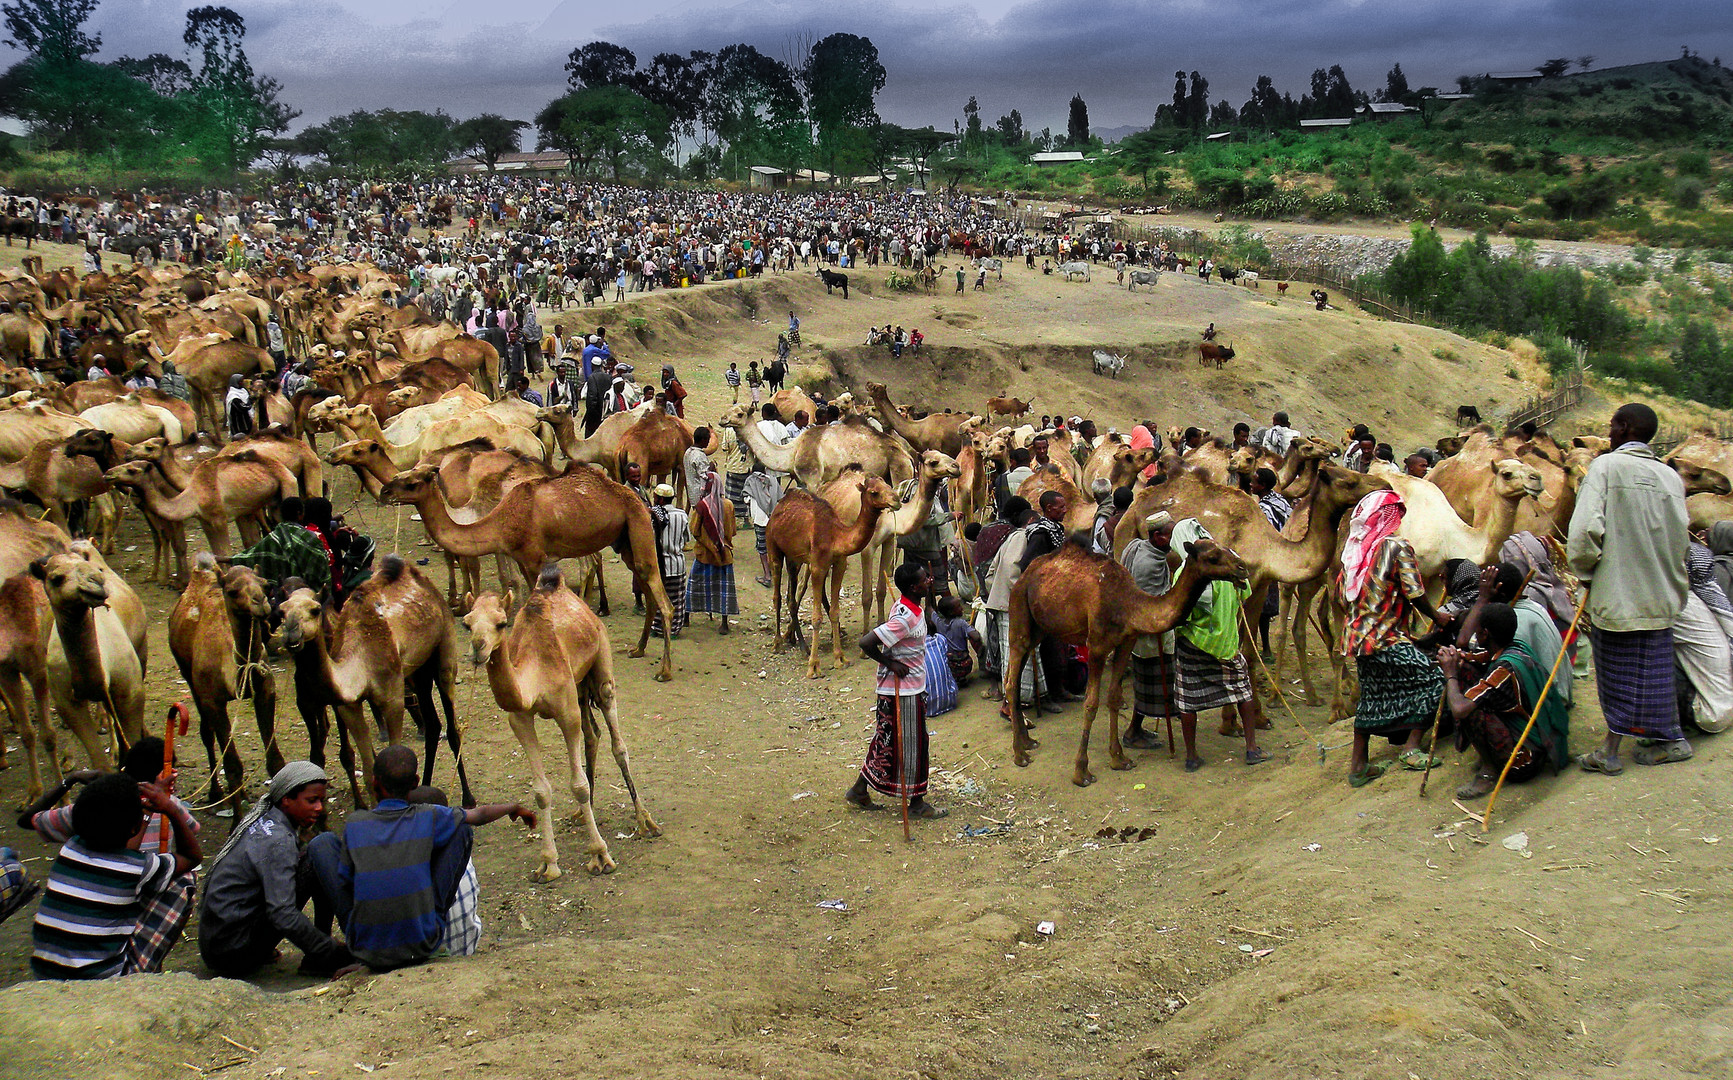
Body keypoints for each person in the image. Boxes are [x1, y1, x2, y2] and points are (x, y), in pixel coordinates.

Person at [304, 746, 534, 971]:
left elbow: (346, 881)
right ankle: (425, 919)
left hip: (366, 947)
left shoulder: (355, 823)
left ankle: (322, 954)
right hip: (422, 943)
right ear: (415, 783)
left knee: (321, 843)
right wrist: (513, 807)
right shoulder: (430, 816)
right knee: (462, 828)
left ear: (373, 783)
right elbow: (479, 814)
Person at [1567, 403, 1691, 773]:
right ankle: (1654, 740)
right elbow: (1681, 537)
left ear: (1623, 428)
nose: (1608, 432)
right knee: (1653, 671)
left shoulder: (1606, 467)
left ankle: (1614, 751)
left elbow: (1584, 532)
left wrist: (1586, 573)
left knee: (1617, 674)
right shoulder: (1670, 477)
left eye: (1611, 425)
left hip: (1618, 592)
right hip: (1661, 592)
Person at [30, 773, 201, 979]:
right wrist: (171, 808)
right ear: (134, 826)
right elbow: (192, 857)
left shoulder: (70, 849)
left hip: (46, 974)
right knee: (184, 881)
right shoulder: (139, 867)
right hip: (99, 981)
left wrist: (144, 809)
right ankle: (143, 978)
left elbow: (124, 853)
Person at [197, 762, 354, 977]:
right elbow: (282, 914)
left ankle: (317, 953)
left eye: (321, 801)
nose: (319, 808)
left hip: (218, 946)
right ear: (286, 800)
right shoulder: (278, 841)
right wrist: (330, 949)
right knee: (321, 849)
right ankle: (322, 956)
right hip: (233, 954)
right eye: (312, 801)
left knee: (313, 854)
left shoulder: (264, 821)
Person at [1339, 490, 1451, 787]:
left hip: (1357, 639)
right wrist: (1437, 616)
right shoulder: (1397, 546)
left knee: (1373, 693)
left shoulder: (1353, 552)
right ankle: (1412, 747)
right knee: (1436, 678)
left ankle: (1358, 766)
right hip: (1386, 635)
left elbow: (1342, 596)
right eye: (1396, 514)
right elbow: (1414, 592)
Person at [845, 562, 948, 820]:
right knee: (913, 745)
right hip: (902, 692)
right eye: (925, 579)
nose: (929, 580)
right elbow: (865, 643)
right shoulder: (904, 618)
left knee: (887, 740)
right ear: (914, 587)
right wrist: (890, 663)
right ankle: (916, 803)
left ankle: (860, 789)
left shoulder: (910, 606)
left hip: (906, 688)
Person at [1438, 603, 1571, 800]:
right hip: (1537, 742)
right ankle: (1492, 758)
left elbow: (1459, 709)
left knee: (1472, 710)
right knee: (1466, 669)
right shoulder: (1515, 648)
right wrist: (1459, 659)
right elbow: (1478, 658)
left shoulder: (1503, 670)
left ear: (1484, 633)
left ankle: (1489, 772)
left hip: (1524, 761)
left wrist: (1450, 675)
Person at [1168, 518, 1265, 770]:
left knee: (1188, 701)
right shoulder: (1229, 567)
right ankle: (1252, 748)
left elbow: (1179, 613)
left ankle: (1191, 757)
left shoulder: (1183, 573)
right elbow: (1245, 595)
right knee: (1242, 692)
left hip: (1192, 643)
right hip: (1226, 643)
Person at [986, 502, 1053, 717]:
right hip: (1011, 605)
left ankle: (1034, 696)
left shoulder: (1013, 537)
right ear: (1031, 521)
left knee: (1025, 650)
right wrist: (1025, 597)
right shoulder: (1021, 538)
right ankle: (1015, 701)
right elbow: (1010, 570)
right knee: (1015, 654)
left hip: (1006, 601)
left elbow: (992, 573)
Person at [1120, 510, 1178, 750]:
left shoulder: (1142, 548)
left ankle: (1136, 728)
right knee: (1151, 683)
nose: (1173, 541)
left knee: (1149, 683)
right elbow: (1149, 603)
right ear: (1157, 536)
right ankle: (1133, 732)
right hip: (1149, 632)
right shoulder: (1147, 564)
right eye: (1169, 535)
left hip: (1148, 630)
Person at [228, 495, 331, 599]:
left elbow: (252, 555)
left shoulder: (274, 537)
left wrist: (225, 559)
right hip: (309, 596)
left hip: (283, 597)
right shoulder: (311, 537)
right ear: (300, 513)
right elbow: (321, 565)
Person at [687, 470, 738, 635]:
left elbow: (694, 530)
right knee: (723, 590)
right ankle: (724, 623)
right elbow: (733, 531)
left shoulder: (702, 506)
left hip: (704, 555)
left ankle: (686, 617)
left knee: (695, 585)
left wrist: (709, 545)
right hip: (724, 555)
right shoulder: (729, 505)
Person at [647, 483, 690, 639]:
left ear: (658, 499)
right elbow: (686, 540)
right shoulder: (682, 515)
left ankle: (656, 627)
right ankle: (673, 631)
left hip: (659, 565)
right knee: (677, 599)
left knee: (658, 598)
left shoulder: (653, 516)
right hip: (677, 564)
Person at [932, 594, 984, 686]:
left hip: (947, 664)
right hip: (963, 664)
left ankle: (953, 679)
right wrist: (971, 628)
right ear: (952, 612)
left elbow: (929, 609)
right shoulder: (961, 623)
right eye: (959, 607)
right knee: (977, 641)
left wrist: (929, 591)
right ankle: (964, 676)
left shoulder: (938, 622)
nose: (962, 609)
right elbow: (975, 637)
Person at [744, 463, 780, 587]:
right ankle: (775, 571)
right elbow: (780, 498)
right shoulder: (773, 481)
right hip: (774, 519)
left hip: (759, 520)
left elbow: (746, 500)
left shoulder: (750, 482)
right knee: (773, 546)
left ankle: (767, 576)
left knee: (762, 548)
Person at [682, 427, 712, 503]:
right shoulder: (700, 456)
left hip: (692, 493)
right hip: (701, 496)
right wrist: (711, 468)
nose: (709, 442)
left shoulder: (688, 452)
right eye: (708, 439)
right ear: (703, 440)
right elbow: (705, 477)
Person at [225, 373, 253, 439]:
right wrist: (250, 402)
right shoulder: (233, 396)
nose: (242, 383)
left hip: (247, 422)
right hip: (239, 425)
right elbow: (242, 407)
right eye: (240, 382)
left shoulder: (243, 391)